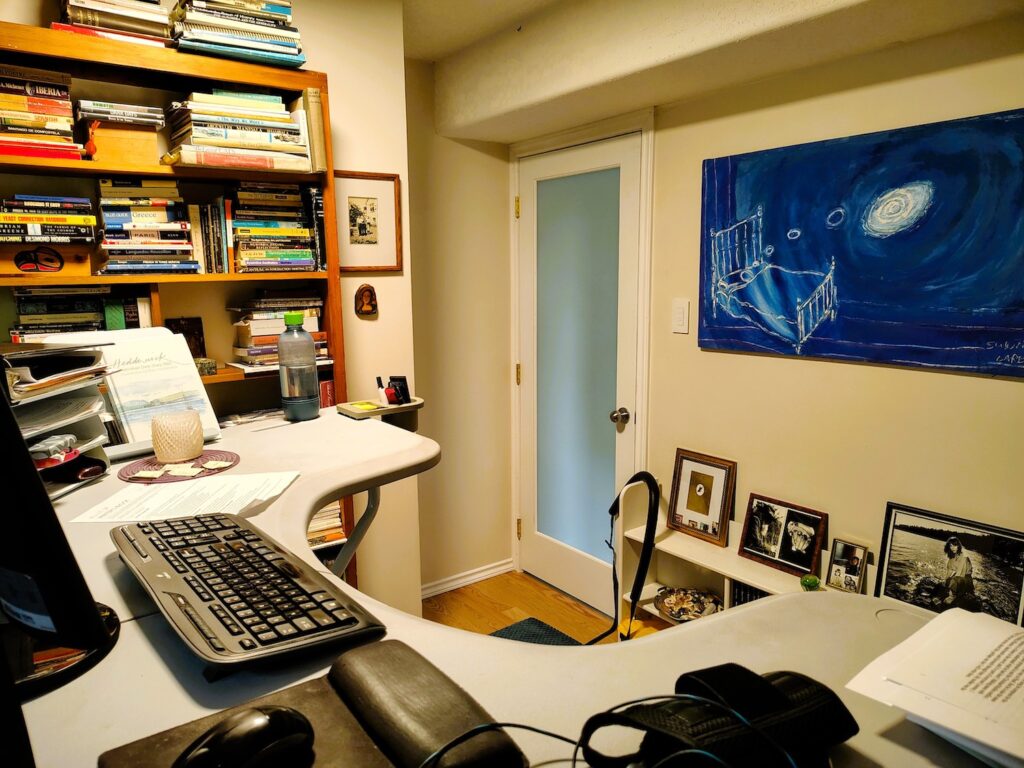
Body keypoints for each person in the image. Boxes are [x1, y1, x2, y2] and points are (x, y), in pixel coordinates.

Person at [942, 536, 974, 606]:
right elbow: (949, 571)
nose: (952, 547)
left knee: (954, 580)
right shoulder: (952, 558)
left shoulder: (964, 557)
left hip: (966, 579)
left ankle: (953, 596)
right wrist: (946, 581)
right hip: (958, 577)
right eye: (951, 546)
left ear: (959, 546)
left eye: (955, 545)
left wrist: (950, 592)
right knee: (947, 581)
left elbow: (959, 574)